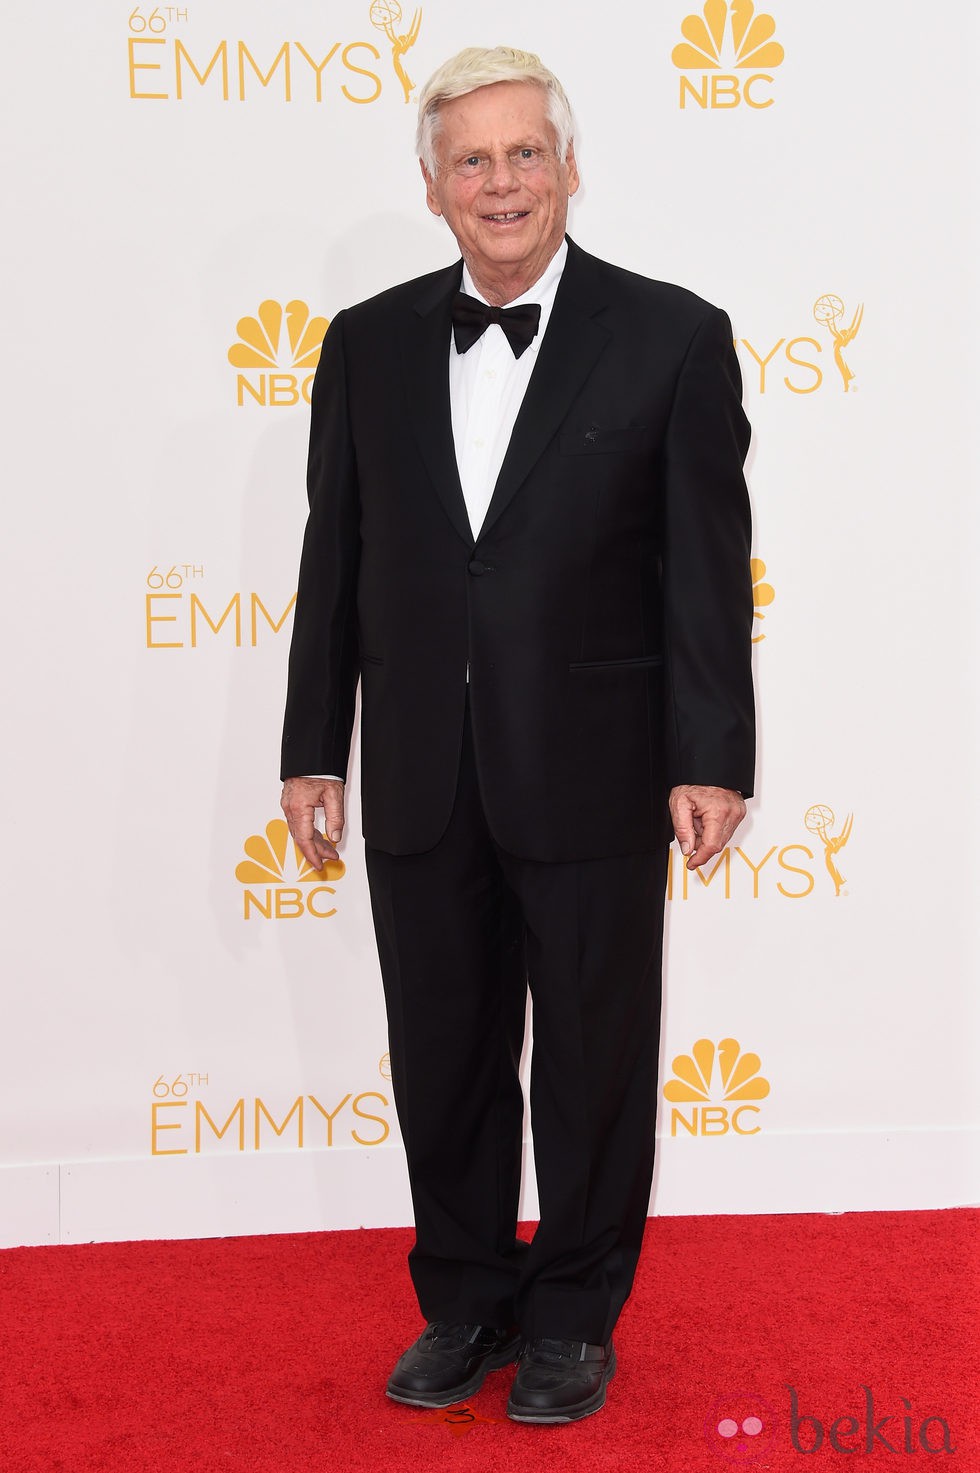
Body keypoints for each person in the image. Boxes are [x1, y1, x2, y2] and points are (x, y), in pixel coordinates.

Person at [280, 45, 754, 1424]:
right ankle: (470, 1296)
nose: (502, 183)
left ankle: (575, 1316)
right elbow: (338, 558)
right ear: (432, 188)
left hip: (598, 770)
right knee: (444, 1049)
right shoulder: (364, 344)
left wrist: (710, 748)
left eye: (524, 155)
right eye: (472, 161)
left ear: (569, 170)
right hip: (423, 771)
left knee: (596, 1057)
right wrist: (316, 744)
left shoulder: (671, 334)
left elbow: (703, 570)